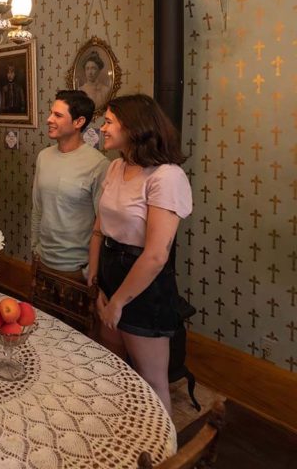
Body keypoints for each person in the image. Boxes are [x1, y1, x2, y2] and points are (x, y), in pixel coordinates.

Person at [88, 94, 192, 414]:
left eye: (108, 122)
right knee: (114, 366)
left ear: (133, 128)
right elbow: (99, 227)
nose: (102, 128)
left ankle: (163, 458)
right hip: (110, 271)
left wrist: (118, 302)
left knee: (151, 379)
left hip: (142, 285)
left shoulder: (166, 176)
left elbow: (156, 255)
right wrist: (94, 273)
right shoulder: (116, 166)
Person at [31, 90, 109, 283]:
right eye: (51, 113)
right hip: (43, 262)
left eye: (57, 115)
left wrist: (89, 270)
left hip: (76, 269)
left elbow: (103, 224)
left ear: (78, 122)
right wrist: (35, 249)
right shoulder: (44, 156)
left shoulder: (98, 164)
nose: (49, 119)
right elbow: (38, 208)